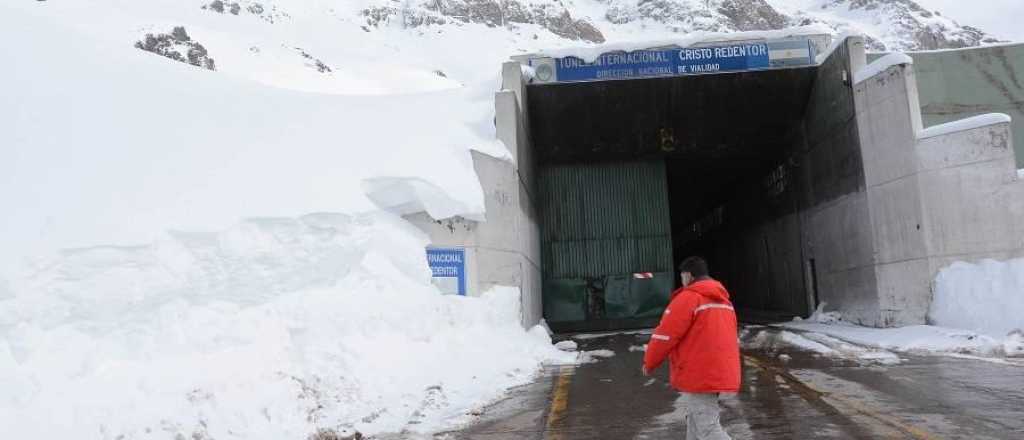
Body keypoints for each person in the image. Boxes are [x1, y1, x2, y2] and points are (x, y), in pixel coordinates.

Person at [642, 256, 740, 440]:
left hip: (700, 372)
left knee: (707, 429)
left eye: (682, 275)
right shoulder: (724, 301)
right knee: (695, 422)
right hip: (719, 370)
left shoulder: (689, 298)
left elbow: (666, 334)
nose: (682, 279)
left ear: (689, 275)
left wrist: (650, 362)